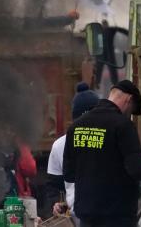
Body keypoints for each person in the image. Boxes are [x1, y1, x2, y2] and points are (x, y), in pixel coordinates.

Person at [63, 80, 141, 227]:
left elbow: (69, 174)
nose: (130, 115)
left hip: (87, 214)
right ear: (129, 100)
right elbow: (138, 170)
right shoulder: (123, 125)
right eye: (132, 110)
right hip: (117, 215)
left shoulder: (76, 126)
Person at [47, 83, 100, 216]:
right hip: (77, 216)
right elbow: (54, 185)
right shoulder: (59, 146)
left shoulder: (110, 139)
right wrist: (57, 203)